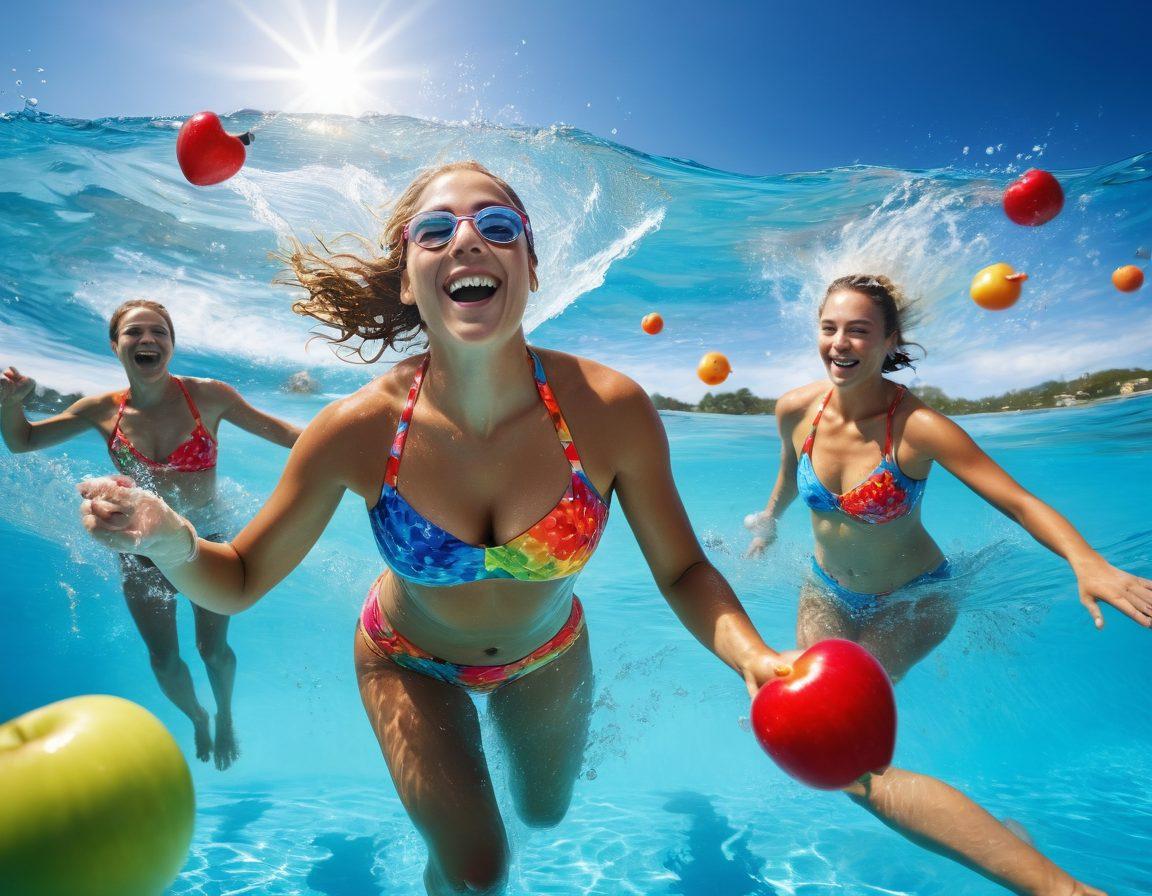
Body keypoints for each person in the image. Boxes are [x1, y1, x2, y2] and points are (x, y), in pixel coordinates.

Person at [76, 162, 789, 896]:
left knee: (544, 816)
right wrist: (168, 539)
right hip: (405, 659)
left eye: (498, 225)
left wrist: (754, 658)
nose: (469, 240)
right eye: (437, 230)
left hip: (548, 653)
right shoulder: (358, 428)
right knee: (479, 870)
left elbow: (681, 571)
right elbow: (241, 580)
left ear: (531, 267)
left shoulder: (609, 409)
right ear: (408, 280)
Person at [745, 273, 1152, 894]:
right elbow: (784, 477)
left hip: (915, 601)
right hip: (825, 591)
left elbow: (1017, 501)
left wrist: (1086, 561)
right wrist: (767, 526)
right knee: (830, 748)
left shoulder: (917, 427)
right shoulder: (796, 408)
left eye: (859, 330)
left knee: (851, 765)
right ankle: (1010, 853)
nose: (840, 343)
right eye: (829, 328)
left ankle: (1054, 885)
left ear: (890, 341)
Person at [2, 300, 301, 769]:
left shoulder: (208, 396)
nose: (148, 340)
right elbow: (23, 441)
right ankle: (198, 717)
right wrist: (9, 405)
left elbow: (286, 433)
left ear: (172, 343)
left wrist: (358, 444)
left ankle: (224, 714)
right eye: (134, 332)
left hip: (204, 544)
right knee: (163, 659)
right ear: (115, 346)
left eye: (159, 332)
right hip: (140, 550)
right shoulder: (101, 410)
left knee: (212, 648)